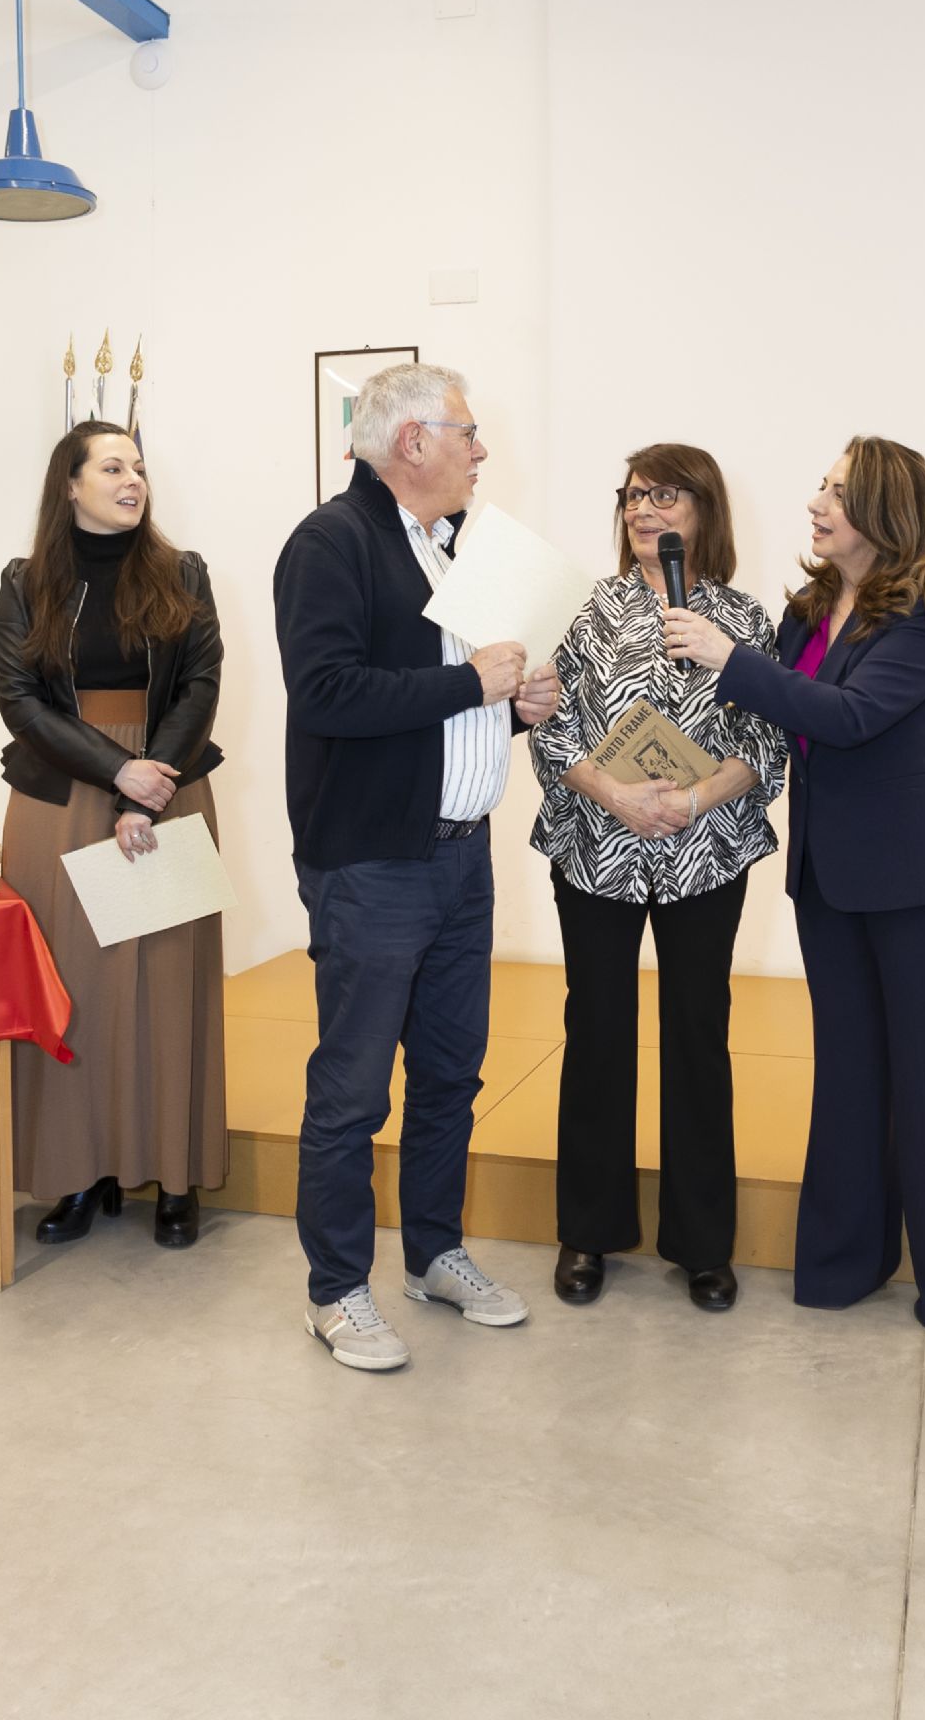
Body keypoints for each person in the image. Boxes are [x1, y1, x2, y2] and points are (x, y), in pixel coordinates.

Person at [664, 435, 925, 1332]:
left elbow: (850, 718)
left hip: (920, 879)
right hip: (828, 875)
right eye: (822, 485)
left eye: (840, 492)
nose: (818, 503)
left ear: (887, 511)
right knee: (851, 1075)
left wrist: (730, 661)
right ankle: (843, 1267)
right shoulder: (810, 609)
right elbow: (776, 713)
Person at [274, 362, 560, 1373]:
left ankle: (434, 1253)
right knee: (353, 1091)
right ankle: (335, 1290)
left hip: (460, 857)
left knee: (449, 1074)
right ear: (411, 443)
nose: (480, 452)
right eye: (467, 434)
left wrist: (514, 708)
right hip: (372, 864)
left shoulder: (450, 546)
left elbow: (447, 708)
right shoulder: (331, 543)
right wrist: (469, 682)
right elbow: (327, 694)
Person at [528, 445, 785, 1311]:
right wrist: (618, 796)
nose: (643, 510)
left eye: (664, 496)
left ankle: (702, 1244)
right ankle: (587, 1232)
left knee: (697, 1038)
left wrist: (692, 799)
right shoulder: (584, 609)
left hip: (705, 852)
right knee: (597, 1034)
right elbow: (552, 729)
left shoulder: (743, 617)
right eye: (634, 496)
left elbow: (766, 741)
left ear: (704, 508)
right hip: (596, 848)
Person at [0, 419, 227, 1250]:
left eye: (140, 468)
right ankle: (79, 1169)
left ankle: (175, 1175)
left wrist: (147, 786)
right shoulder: (24, 582)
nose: (133, 480)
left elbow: (200, 684)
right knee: (71, 992)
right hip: (61, 794)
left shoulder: (183, 572)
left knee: (167, 987)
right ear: (70, 485)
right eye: (113, 467)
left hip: (168, 783)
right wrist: (116, 772)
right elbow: (19, 698)